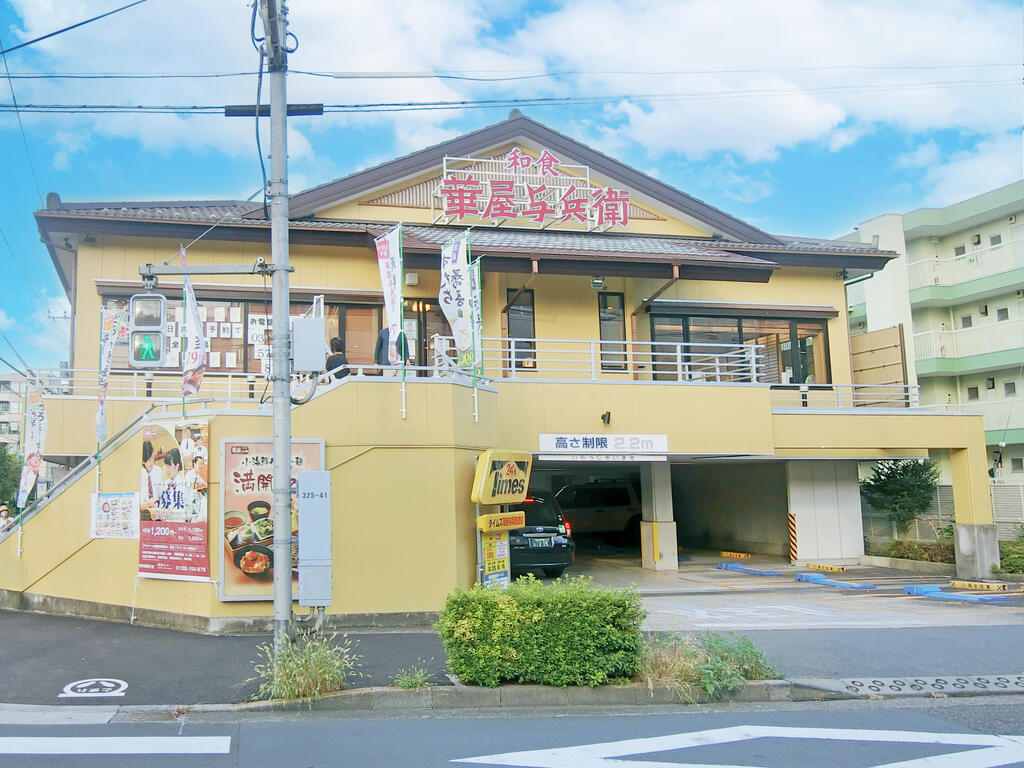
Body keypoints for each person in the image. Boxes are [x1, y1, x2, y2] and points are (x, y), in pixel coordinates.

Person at [139, 440, 163, 521]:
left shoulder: (158, 471)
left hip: (156, 510)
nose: (151, 462)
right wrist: (147, 504)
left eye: (152, 458)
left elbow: (160, 493)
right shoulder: (139, 474)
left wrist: (157, 506)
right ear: (143, 461)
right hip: (143, 512)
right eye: (148, 460)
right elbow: (138, 504)